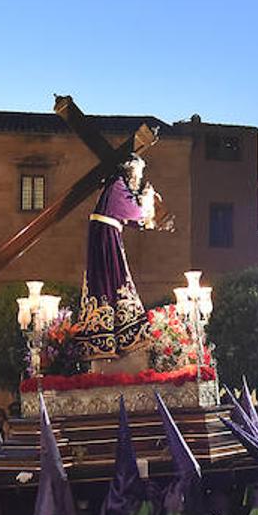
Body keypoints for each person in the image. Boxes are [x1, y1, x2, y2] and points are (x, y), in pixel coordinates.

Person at [76, 154, 159, 363]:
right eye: (138, 174)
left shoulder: (113, 188)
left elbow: (132, 218)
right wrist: (147, 200)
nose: (139, 180)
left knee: (109, 281)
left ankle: (112, 329)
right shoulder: (117, 185)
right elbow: (135, 213)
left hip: (105, 234)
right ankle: (120, 331)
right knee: (115, 280)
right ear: (130, 172)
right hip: (106, 238)